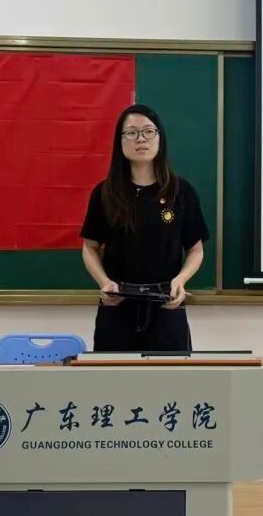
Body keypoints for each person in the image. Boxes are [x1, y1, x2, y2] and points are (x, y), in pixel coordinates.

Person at [80, 104, 209, 352]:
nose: (141, 139)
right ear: (120, 141)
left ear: (160, 138)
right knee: (114, 375)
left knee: (169, 375)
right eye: (131, 132)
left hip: (166, 303)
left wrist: (181, 280)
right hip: (117, 303)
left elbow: (195, 250)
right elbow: (89, 247)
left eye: (148, 131)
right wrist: (104, 282)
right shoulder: (105, 193)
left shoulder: (181, 192)